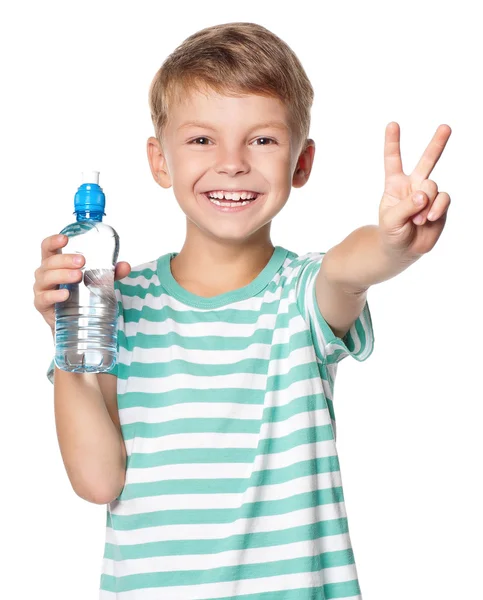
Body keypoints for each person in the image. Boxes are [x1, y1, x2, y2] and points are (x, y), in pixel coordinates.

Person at [33, 21, 451, 600]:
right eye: (202, 140)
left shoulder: (300, 296)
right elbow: (99, 481)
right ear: (160, 161)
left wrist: (389, 242)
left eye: (262, 140)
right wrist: (70, 335)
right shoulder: (115, 307)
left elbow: (347, 270)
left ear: (301, 164)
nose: (231, 163)